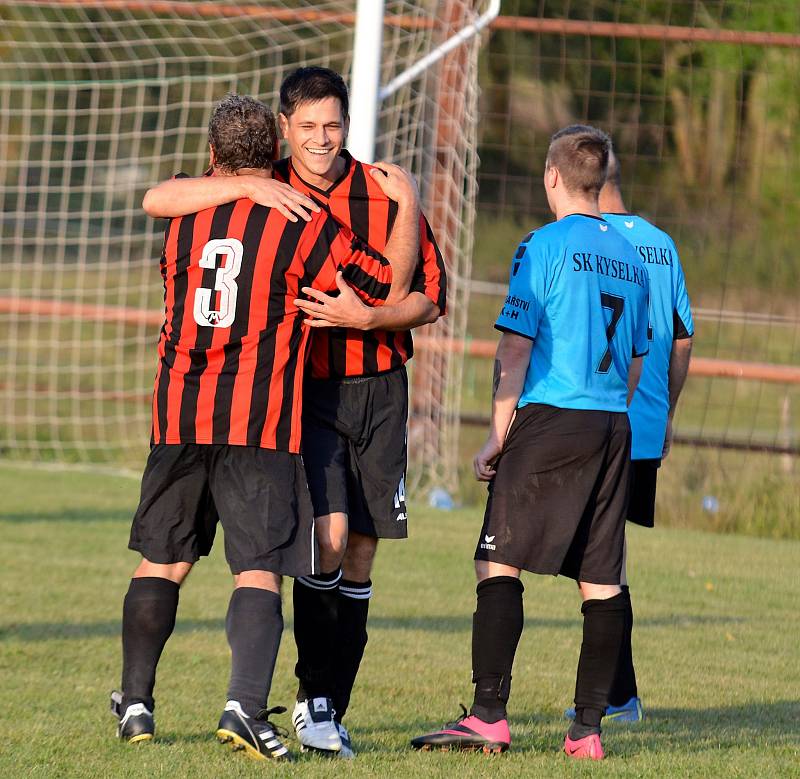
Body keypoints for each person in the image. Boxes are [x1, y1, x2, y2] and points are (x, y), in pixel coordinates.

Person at [142, 66, 446, 758]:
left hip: (380, 388)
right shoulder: (261, 181)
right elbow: (161, 196)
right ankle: (309, 697)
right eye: (307, 126)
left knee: (362, 550)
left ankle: (330, 704)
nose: (320, 139)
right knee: (328, 537)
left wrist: (366, 315)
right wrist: (249, 182)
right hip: (303, 391)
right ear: (284, 127)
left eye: (332, 125)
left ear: (347, 125)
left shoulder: (383, 189)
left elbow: (426, 296)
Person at [410, 125, 649, 761]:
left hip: (548, 417)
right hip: (611, 423)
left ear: (552, 177)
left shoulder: (540, 247)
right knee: (603, 580)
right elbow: (636, 359)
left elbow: (516, 345)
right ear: (598, 181)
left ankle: (488, 715)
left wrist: (497, 433)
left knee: (498, 561)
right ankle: (588, 730)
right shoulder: (633, 256)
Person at [563, 148, 694, 723]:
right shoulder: (660, 244)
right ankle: (615, 694)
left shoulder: (573, 237)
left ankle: (616, 696)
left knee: (598, 564)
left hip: (587, 415)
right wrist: (665, 410)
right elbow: (682, 337)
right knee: (602, 559)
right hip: (641, 424)